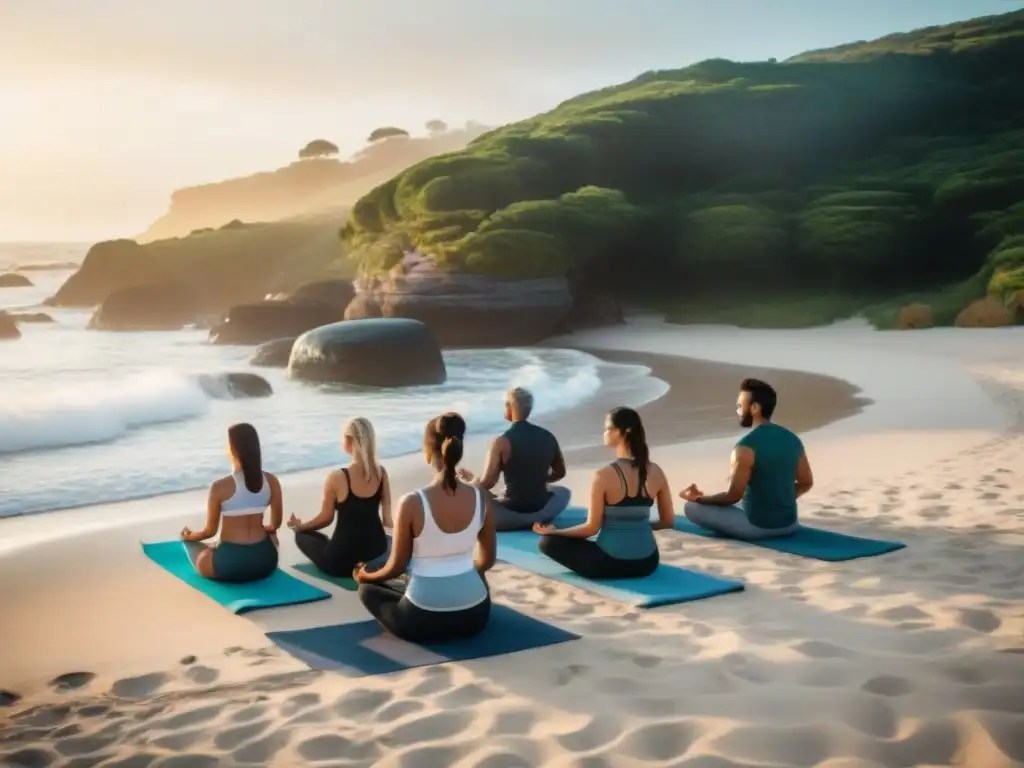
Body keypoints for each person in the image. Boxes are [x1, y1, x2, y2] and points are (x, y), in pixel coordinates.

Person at [355, 412, 497, 643]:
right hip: (475, 616)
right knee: (471, 578)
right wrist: (464, 577)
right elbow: (487, 560)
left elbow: (396, 567)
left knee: (368, 590)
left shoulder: (412, 502)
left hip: (422, 619)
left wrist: (366, 576)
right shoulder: (481, 496)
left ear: (428, 452)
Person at [534, 407, 674, 579]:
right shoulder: (656, 472)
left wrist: (554, 532)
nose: (605, 433)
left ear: (624, 432)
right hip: (647, 563)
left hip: (609, 563)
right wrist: (638, 526)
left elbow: (591, 529)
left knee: (547, 542)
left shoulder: (603, 475)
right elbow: (668, 521)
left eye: (608, 428)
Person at [680, 378, 813, 540]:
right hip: (790, 524)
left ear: (755, 408)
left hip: (756, 527)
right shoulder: (793, 439)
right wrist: (778, 500)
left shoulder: (745, 447)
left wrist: (699, 499)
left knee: (691, 507)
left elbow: (732, 496)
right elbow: (806, 483)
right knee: (739, 501)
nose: (737, 411)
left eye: (739, 406)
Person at [287, 417, 392, 577]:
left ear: (349, 441)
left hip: (341, 563)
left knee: (302, 536)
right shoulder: (381, 473)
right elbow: (387, 520)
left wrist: (300, 527)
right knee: (386, 540)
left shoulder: (337, 477)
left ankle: (305, 533)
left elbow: (326, 518)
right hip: (375, 556)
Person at [457, 386, 571, 531]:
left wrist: (470, 481)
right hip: (542, 511)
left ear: (509, 408)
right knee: (564, 492)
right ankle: (532, 515)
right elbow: (560, 473)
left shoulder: (501, 442)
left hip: (507, 517)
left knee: (472, 496)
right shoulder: (548, 436)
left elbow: (487, 483)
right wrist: (535, 479)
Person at [181, 422, 282, 582]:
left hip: (230, 563)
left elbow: (209, 532)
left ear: (232, 450)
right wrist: (264, 530)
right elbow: (276, 524)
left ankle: (201, 546)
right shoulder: (272, 481)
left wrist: (189, 536)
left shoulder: (220, 487)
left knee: (198, 550)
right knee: (272, 538)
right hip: (265, 561)